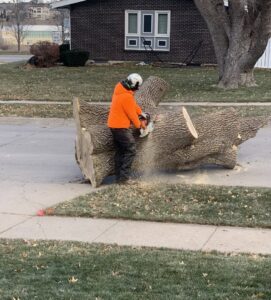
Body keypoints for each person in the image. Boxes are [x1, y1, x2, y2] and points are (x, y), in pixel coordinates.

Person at [107, 73, 146, 184]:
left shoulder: (120, 89)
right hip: (120, 127)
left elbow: (132, 105)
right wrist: (140, 127)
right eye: (137, 86)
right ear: (135, 84)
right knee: (131, 150)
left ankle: (119, 177)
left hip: (113, 125)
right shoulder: (126, 96)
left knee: (120, 151)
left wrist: (141, 113)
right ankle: (124, 179)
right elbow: (131, 114)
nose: (137, 89)